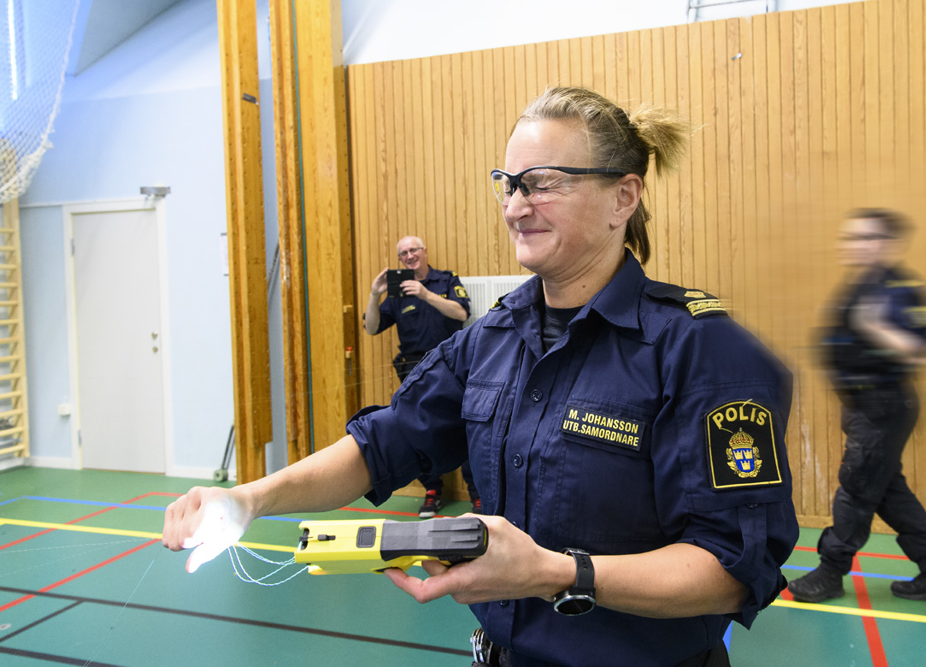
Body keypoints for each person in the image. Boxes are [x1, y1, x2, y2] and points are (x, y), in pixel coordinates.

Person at [163, 87, 798, 667]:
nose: (518, 206)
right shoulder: (492, 338)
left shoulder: (700, 347)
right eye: (509, 183)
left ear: (622, 198)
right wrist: (248, 499)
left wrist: (557, 573)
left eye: (544, 183)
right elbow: (383, 442)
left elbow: (733, 567)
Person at [787, 209, 926, 605]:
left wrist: (876, 328)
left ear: (889, 244)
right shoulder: (863, 286)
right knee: (888, 494)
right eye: (849, 238)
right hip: (865, 407)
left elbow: (923, 351)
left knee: (856, 491)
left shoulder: (901, 289)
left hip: (884, 407)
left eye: (864, 238)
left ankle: (830, 573)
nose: (851, 246)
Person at [364, 236, 479, 516]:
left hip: (453, 368)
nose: (409, 256)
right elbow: (371, 327)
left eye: (413, 250)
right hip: (415, 371)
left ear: (425, 252)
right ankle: (431, 491)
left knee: (467, 428)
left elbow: (462, 312)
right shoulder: (397, 291)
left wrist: (425, 294)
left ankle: (477, 496)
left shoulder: (447, 280)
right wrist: (374, 294)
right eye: (403, 253)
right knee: (418, 430)